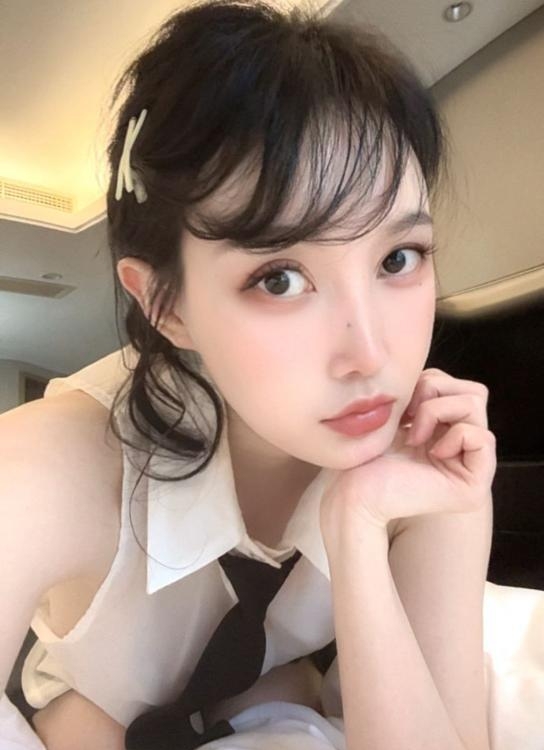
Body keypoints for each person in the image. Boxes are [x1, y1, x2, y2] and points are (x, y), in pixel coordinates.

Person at [0, 1, 497, 748]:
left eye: (399, 259)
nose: (370, 355)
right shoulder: (46, 467)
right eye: (280, 279)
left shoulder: (432, 460)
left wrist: (358, 527)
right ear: (165, 305)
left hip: (256, 689)